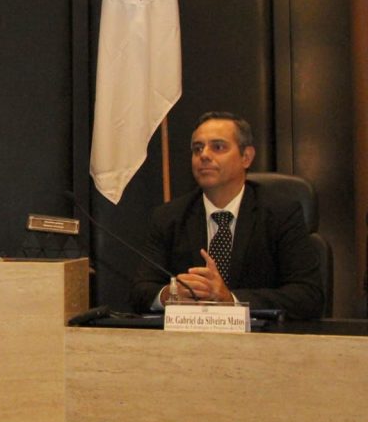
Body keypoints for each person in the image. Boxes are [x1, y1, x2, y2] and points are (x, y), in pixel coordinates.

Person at [129, 112, 323, 319]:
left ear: (246, 157)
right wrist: (170, 294)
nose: (204, 155)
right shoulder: (169, 217)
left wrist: (231, 300)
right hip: (189, 342)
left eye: (218, 147)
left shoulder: (280, 213)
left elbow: (308, 296)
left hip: (260, 343)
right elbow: (140, 292)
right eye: (197, 148)